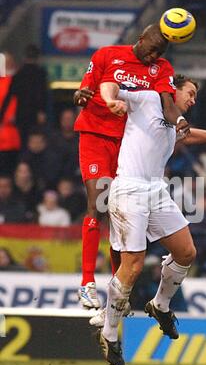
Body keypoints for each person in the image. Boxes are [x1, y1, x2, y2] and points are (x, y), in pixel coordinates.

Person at [92, 75, 206, 365]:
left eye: (194, 97)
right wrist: (111, 99)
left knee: (186, 252)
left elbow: (188, 135)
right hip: (129, 189)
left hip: (156, 190)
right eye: (189, 93)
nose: (192, 100)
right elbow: (110, 84)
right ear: (173, 90)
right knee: (134, 266)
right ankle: (110, 332)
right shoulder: (149, 98)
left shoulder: (176, 123)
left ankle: (160, 305)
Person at [73, 24, 190, 310]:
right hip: (96, 135)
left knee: (118, 214)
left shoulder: (162, 68)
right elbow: (84, 91)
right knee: (98, 203)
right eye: (151, 49)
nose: (153, 56)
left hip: (126, 144)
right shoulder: (107, 55)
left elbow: (166, 103)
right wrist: (82, 97)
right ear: (141, 38)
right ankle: (87, 283)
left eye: (159, 52)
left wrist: (179, 121)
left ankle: (117, 284)